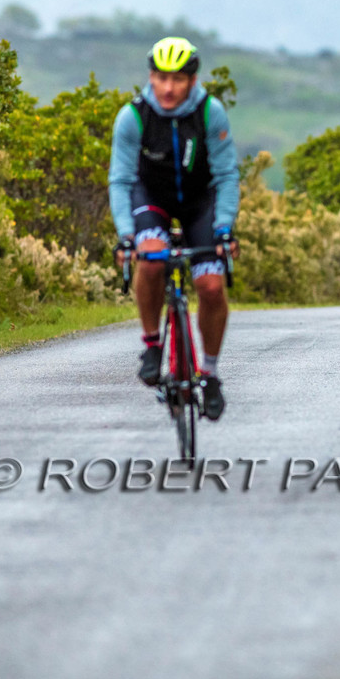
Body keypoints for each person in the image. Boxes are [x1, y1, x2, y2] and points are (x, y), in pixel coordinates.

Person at [108, 36, 240, 418]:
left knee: (211, 286)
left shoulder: (210, 112)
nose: (167, 88)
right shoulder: (133, 116)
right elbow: (121, 180)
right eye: (161, 77)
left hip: (200, 202)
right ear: (150, 76)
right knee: (150, 258)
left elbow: (227, 176)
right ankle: (152, 345)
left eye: (177, 79)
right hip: (152, 199)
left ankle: (209, 374)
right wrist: (126, 236)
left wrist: (224, 229)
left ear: (192, 80)